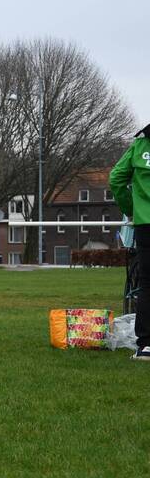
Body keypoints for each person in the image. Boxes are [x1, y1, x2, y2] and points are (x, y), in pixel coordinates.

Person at [109, 122, 150, 360]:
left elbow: (116, 179)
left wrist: (131, 210)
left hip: (146, 224)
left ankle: (146, 345)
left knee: (147, 284)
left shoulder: (139, 146)